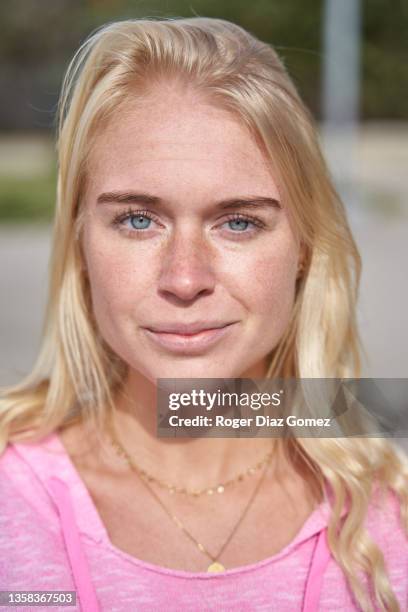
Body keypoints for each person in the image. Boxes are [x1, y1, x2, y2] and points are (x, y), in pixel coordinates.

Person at [0, 16, 407, 612]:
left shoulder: (389, 512)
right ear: (82, 243)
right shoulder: (14, 501)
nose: (185, 279)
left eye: (238, 221)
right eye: (138, 219)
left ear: (303, 248)